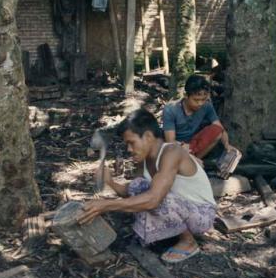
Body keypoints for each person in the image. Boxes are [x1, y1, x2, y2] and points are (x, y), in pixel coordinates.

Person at [77, 108, 217, 263]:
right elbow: (131, 192)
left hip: (202, 215)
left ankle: (188, 242)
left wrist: (105, 205)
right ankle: (168, 235)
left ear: (149, 136)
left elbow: (154, 199)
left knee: (157, 198)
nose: (129, 149)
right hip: (182, 208)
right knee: (139, 185)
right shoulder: (144, 160)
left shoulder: (172, 152)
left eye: (131, 143)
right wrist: (110, 182)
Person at [162, 74, 234, 162]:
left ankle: (194, 161)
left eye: (203, 99)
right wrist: (181, 147)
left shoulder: (207, 106)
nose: (200, 103)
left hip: (193, 144)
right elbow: (170, 141)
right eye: (196, 100)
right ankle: (190, 161)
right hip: (176, 146)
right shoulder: (171, 109)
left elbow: (220, 128)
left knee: (217, 131)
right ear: (186, 95)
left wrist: (227, 145)